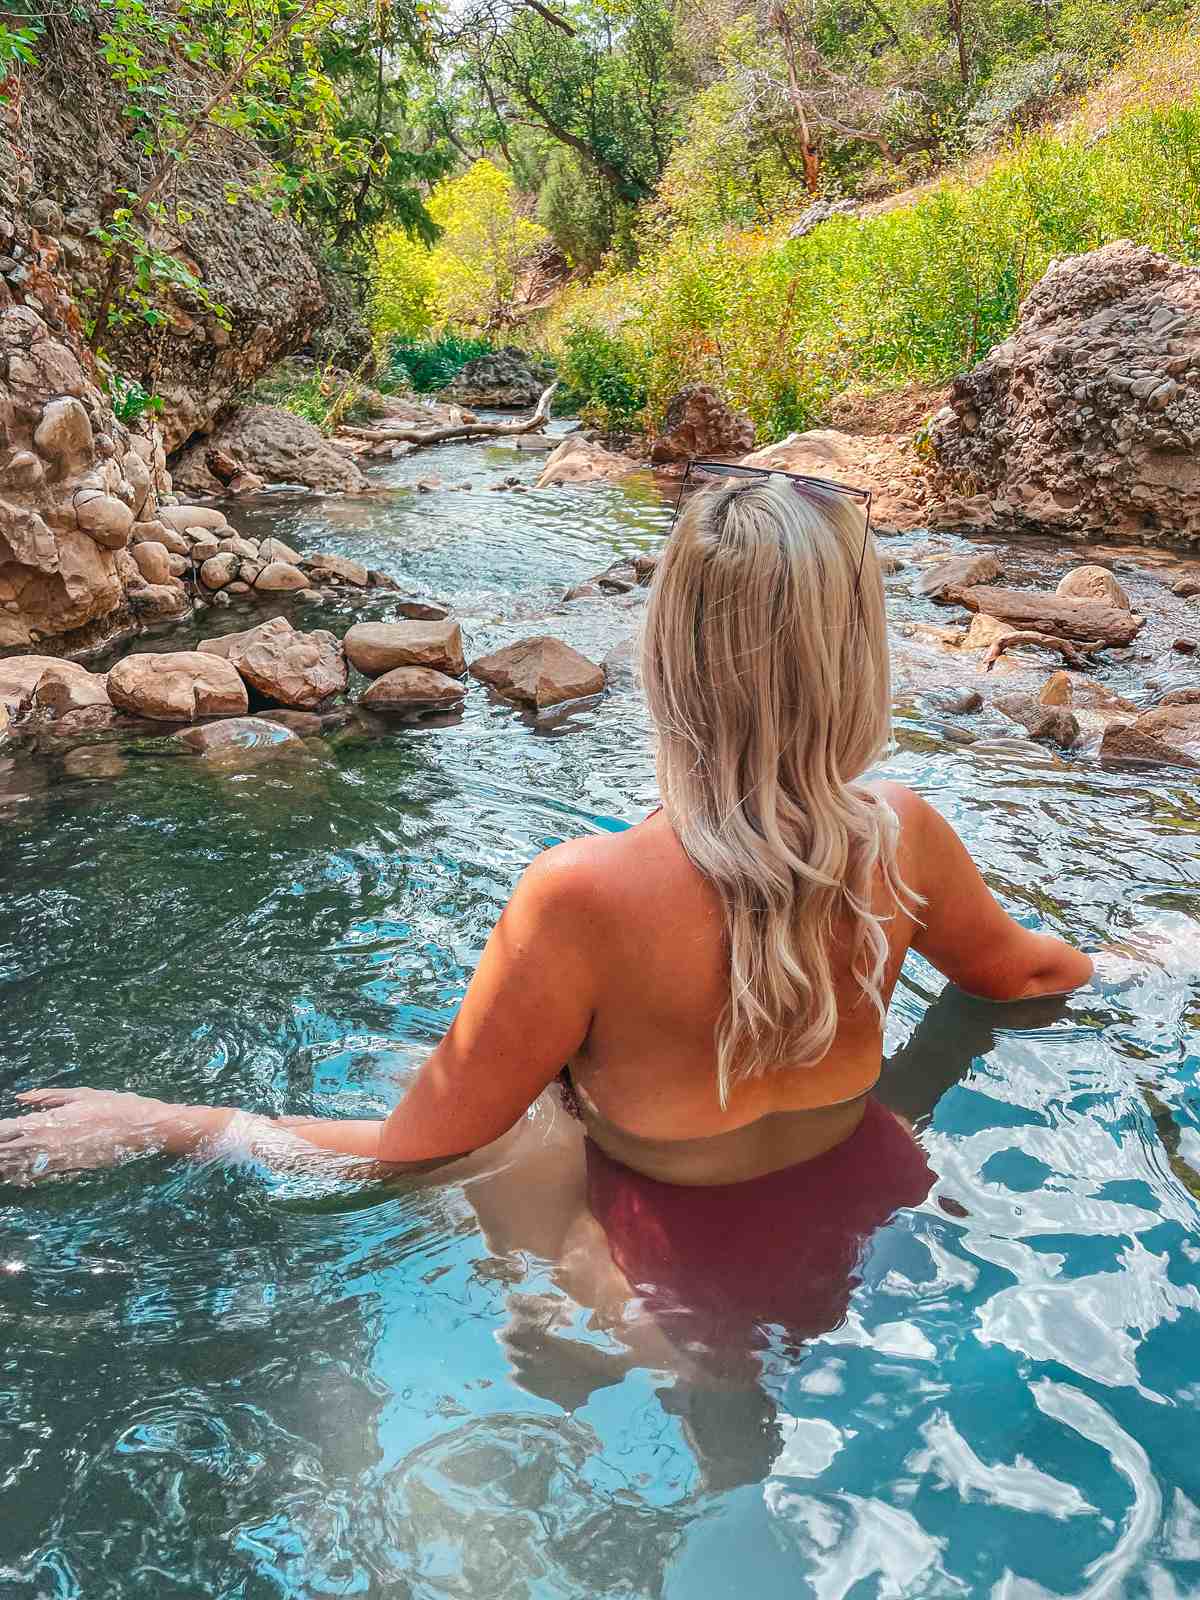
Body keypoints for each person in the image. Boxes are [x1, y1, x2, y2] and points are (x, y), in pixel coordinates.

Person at [0, 468, 1093, 1359]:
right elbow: (1033, 977)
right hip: (873, 1213)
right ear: (860, 658)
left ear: (669, 656)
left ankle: (639, 1367)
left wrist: (174, 1125)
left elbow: (403, 1155)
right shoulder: (905, 837)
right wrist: (1145, 948)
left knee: (484, 1110)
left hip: (668, 1281)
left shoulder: (579, 896)